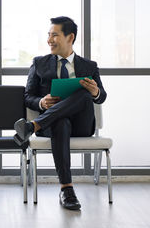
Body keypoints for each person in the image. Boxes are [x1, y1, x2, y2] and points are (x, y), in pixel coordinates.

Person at [14, 16, 107, 210]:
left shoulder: (89, 66)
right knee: (60, 121)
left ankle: (32, 126)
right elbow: (27, 96)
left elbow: (102, 96)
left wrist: (94, 91)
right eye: (48, 35)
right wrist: (41, 101)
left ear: (70, 37)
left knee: (83, 93)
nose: (49, 40)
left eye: (54, 35)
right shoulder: (39, 63)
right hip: (54, 125)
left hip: (81, 124)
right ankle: (67, 190)